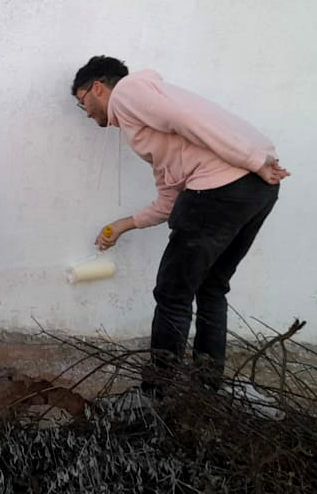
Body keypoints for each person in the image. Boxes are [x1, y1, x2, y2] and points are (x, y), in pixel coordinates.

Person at [71, 55, 288, 389]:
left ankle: (159, 392)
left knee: (173, 294)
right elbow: (170, 199)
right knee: (211, 288)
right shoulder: (147, 124)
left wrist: (253, 158)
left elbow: (187, 118)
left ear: (98, 88)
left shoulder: (128, 93)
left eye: (82, 101)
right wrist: (124, 225)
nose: (86, 113)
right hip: (255, 191)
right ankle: (205, 389)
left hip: (221, 188)